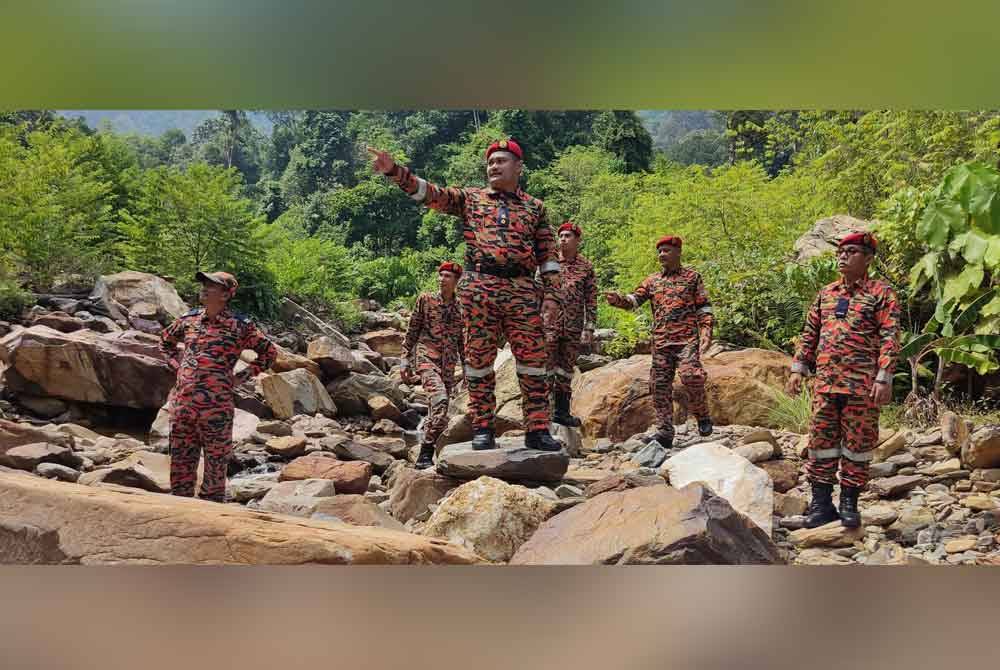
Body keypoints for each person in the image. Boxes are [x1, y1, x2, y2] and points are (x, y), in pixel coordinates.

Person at [369, 139, 562, 452]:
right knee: (478, 361)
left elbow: (548, 254)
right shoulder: (471, 198)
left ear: (518, 167)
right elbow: (431, 195)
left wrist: (552, 297)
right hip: (479, 289)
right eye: (490, 162)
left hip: (523, 291)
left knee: (533, 363)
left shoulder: (535, 207)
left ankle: (538, 429)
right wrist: (394, 171)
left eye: (501, 161)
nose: (494, 167)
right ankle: (483, 427)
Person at [787, 232, 899, 528]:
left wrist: (884, 377)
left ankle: (849, 502)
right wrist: (798, 368)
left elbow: (890, 337)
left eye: (851, 251)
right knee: (820, 444)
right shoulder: (827, 293)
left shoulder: (881, 293)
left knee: (857, 445)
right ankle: (821, 505)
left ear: (868, 259)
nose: (843, 256)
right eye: (841, 251)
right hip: (824, 385)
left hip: (861, 386)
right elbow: (809, 333)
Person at [160, 271, 277, 502]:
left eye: (211, 285)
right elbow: (165, 342)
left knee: (215, 471)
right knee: (180, 470)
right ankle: (179, 516)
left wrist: (243, 376)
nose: (204, 288)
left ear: (225, 294)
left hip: (216, 410)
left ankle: (211, 520)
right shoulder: (188, 320)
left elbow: (269, 353)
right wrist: (179, 366)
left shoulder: (240, 326)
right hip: (183, 407)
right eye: (203, 283)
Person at [604, 235, 714, 448]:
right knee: (659, 385)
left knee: (691, 376)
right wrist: (618, 300)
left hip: (686, 340)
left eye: (666, 250)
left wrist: (707, 330)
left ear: (678, 252)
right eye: (660, 251)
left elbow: (704, 306)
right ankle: (664, 431)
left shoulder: (692, 278)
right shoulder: (652, 281)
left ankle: (702, 415)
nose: (662, 254)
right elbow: (633, 301)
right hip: (662, 343)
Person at [401, 261, 466, 469]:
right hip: (426, 359)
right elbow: (413, 329)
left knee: (437, 411)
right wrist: (404, 359)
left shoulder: (461, 308)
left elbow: (463, 342)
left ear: (456, 281)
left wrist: (467, 370)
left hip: (448, 366)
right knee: (440, 400)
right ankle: (425, 453)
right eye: (441, 275)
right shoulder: (425, 300)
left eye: (447, 276)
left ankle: (426, 453)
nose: (442, 279)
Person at [546, 221, 597, 427]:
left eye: (568, 236)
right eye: (561, 236)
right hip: (549, 326)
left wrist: (589, 327)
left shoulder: (586, 267)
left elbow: (591, 298)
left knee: (566, 370)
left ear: (577, 240)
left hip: (573, 326)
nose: (563, 239)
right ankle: (542, 414)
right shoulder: (549, 263)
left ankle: (562, 412)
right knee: (545, 370)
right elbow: (535, 291)